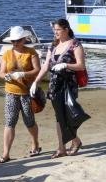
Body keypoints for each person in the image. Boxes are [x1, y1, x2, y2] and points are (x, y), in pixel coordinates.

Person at [31, 18, 86, 158]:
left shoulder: (75, 44)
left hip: (69, 84)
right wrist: (36, 82)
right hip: (55, 85)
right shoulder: (53, 45)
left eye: (58, 30)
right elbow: (45, 66)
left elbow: (81, 65)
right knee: (58, 117)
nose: (55, 33)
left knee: (67, 115)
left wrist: (66, 65)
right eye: (54, 30)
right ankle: (62, 147)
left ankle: (75, 141)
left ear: (66, 30)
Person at [0, 25, 42, 163]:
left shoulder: (31, 52)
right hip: (11, 92)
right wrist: (6, 77)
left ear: (24, 39)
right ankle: (6, 153)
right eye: (13, 41)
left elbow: (37, 70)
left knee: (29, 121)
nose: (15, 43)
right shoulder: (7, 54)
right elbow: (1, 72)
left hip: (27, 92)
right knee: (9, 122)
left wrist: (22, 74)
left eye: (18, 40)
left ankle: (35, 144)